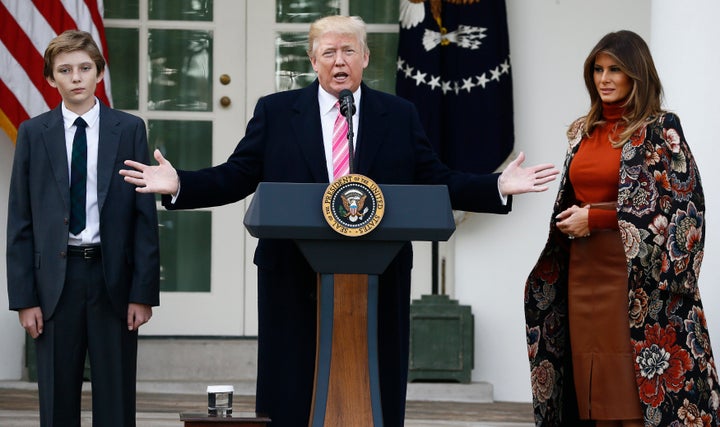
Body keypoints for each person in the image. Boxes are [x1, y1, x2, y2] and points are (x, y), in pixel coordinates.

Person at [120, 15, 558, 426]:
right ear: (313, 61)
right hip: (292, 274)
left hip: (376, 277)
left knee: (374, 382)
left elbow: (436, 179)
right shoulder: (277, 112)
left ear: (366, 58)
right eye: (328, 53)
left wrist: (497, 186)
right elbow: (237, 175)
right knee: (292, 387)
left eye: (349, 51)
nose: (339, 61)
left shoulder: (398, 115)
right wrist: (180, 184)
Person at [524, 30, 720, 427]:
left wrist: (594, 218)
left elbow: (682, 207)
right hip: (583, 273)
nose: (604, 78)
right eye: (597, 69)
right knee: (590, 394)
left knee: (633, 395)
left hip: (635, 279)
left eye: (615, 69)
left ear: (637, 74)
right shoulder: (582, 130)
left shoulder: (660, 129)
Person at [6, 30, 160, 427]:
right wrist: (24, 299)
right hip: (56, 282)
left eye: (84, 68)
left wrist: (142, 292)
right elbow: (20, 221)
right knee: (57, 400)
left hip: (113, 279)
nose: (76, 77)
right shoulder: (33, 133)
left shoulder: (127, 130)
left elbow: (143, 217)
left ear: (100, 74)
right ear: (49, 78)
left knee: (116, 398)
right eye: (65, 70)